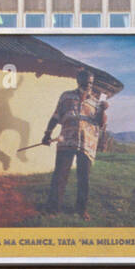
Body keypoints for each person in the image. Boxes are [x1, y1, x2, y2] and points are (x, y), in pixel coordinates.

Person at [43, 69, 108, 219]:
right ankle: (53, 209)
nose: (89, 85)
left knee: (84, 178)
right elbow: (56, 116)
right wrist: (47, 134)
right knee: (60, 176)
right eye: (86, 82)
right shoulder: (66, 96)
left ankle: (81, 209)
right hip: (66, 141)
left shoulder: (97, 102)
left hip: (87, 144)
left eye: (91, 83)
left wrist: (103, 110)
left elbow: (101, 123)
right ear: (78, 81)